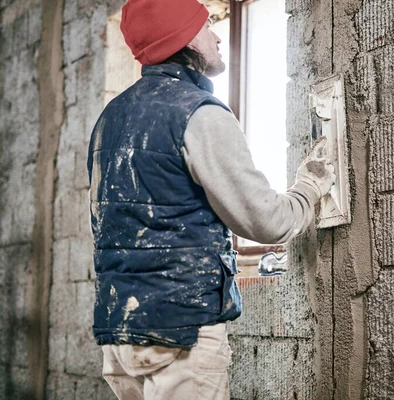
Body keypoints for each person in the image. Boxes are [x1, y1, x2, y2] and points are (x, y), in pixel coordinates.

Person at [86, 0, 336, 399]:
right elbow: (267, 222)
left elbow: (101, 224)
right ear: (182, 39)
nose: (218, 35)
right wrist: (311, 184)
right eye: (205, 26)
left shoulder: (110, 119)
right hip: (180, 331)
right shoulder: (198, 113)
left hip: (118, 333)